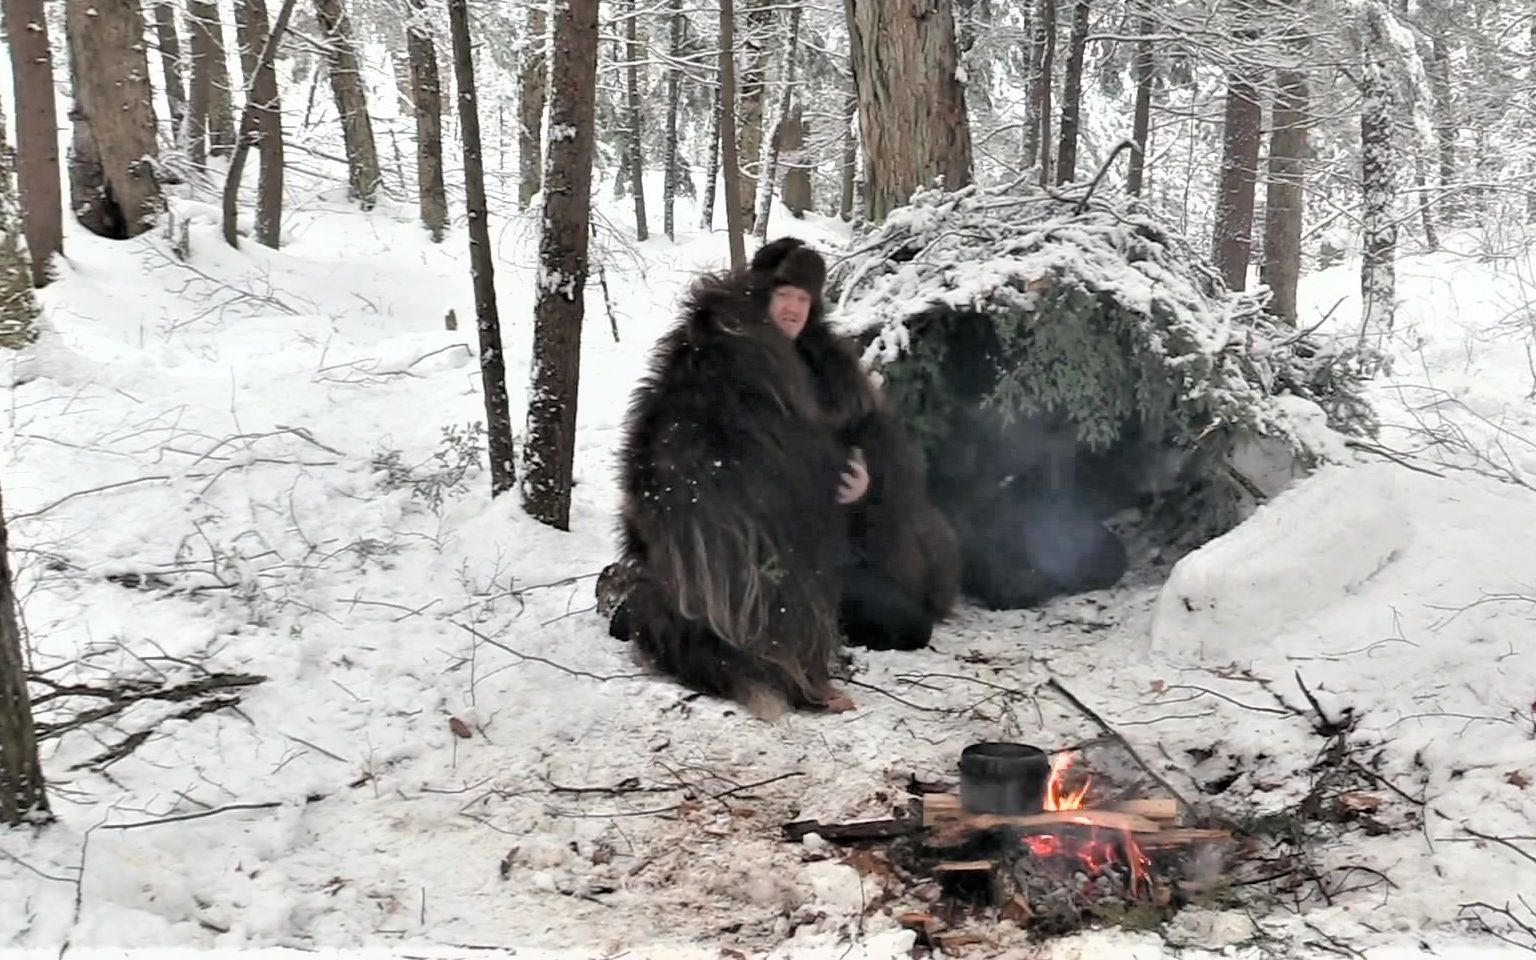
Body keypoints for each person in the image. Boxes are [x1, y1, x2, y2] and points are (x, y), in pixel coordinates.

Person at [607, 237, 958, 654]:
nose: (792, 308)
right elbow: (664, 461)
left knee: (907, 628)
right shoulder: (710, 358)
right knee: (692, 624)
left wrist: (867, 488)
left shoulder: (829, 368)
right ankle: (660, 597)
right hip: (742, 554)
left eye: (802, 298)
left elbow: (881, 449)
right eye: (782, 295)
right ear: (758, 296)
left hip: (821, 549)